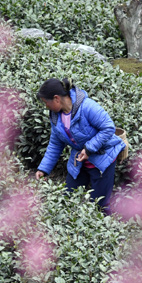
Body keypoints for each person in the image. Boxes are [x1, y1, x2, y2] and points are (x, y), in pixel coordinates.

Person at [34, 78, 125, 213]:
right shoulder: (55, 116)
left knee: (99, 205)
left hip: (102, 160)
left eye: (46, 103)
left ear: (56, 98)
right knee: (67, 199)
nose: (46, 106)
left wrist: (89, 149)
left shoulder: (87, 107)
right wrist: (44, 169)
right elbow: (55, 144)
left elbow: (108, 128)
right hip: (79, 161)